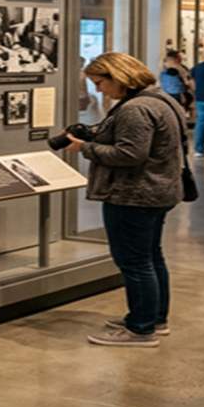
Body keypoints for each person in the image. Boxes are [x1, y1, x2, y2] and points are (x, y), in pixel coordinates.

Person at [65, 52, 184, 347]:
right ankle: (154, 318)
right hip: (159, 190)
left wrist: (85, 147)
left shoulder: (135, 109)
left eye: (100, 82)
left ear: (118, 77)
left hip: (134, 194)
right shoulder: (161, 99)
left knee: (134, 262)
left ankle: (140, 329)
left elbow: (130, 154)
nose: (98, 89)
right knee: (150, 257)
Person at [157, 50, 193, 117]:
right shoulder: (180, 68)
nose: (181, 59)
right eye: (180, 57)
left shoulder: (161, 68)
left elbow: (159, 81)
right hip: (178, 93)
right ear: (176, 58)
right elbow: (187, 82)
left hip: (164, 93)